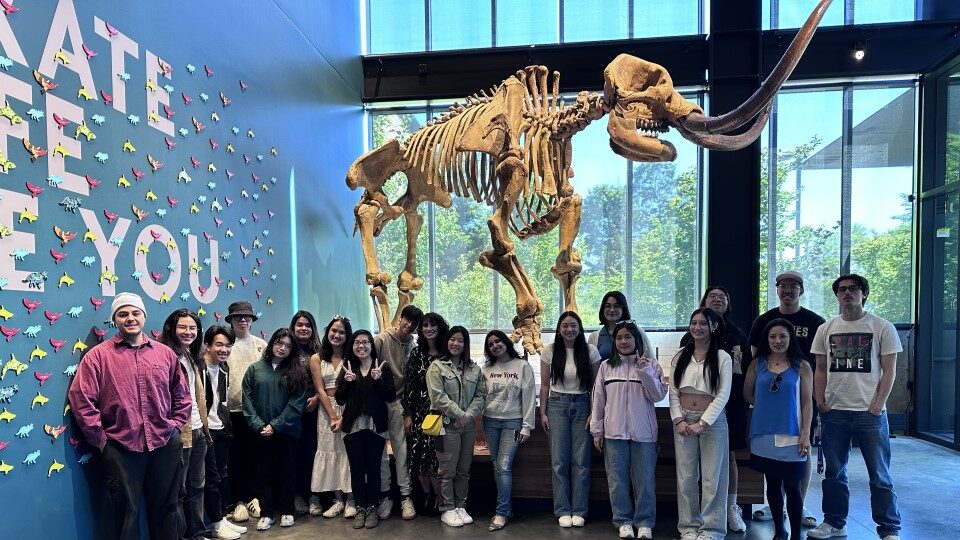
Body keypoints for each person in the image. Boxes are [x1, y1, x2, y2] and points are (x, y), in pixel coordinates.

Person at [68, 292, 191, 540]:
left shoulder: (164, 354)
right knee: (126, 515)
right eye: (123, 314)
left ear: (144, 316)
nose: (130, 318)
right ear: (115, 319)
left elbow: (182, 394)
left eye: (135, 313)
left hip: (164, 443)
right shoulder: (98, 357)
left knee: (168, 510)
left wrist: (176, 426)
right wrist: (101, 441)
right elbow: (81, 398)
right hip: (120, 447)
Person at [808, 274, 903, 540]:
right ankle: (835, 523)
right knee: (834, 473)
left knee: (880, 475)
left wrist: (878, 405)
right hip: (834, 412)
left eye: (853, 289)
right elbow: (820, 369)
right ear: (837, 295)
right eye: (841, 289)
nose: (847, 293)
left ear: (864, 293)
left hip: (870, 414)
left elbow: (890, 371)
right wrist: (820, 401)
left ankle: (889, 529)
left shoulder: (881, 327)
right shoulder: (826, 329)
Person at [749, 270, 826, 526]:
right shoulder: (764, 321)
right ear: (777, 289)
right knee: (772, 457)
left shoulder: (816, 322)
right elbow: (755, 360)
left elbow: (823, 361)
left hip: (801, 394)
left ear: (801, 290)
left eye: (794, 286)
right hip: (773, 404)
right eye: (783, 286)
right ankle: (775, 506)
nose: (788, 290)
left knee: (802, 450)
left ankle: (799, 504)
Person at [591, 321, 667, 540]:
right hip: (613, 433)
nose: (623, 341)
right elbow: (598, 400)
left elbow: (657, 396)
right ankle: (623, 520)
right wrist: (597, 431)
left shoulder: (651, 365)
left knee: (644, 480)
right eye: (619, 338)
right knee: (617, 480)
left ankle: (644, 522)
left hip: (644, 434)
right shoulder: (607, 366)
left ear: (637, 340)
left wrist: (643, 370)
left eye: (628, 337)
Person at [744, 319, 813, 540]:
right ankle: (779, 532)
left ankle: (795, 535)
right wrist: (767, 408)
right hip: (764, 434)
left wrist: (805, 434)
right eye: (773, 336)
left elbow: (806, 403)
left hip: (792, 434)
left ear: (790, 338)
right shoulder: (757, 364)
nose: (777, 340)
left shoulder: (802, 366)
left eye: (782, 336)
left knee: (793, 486)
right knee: (772, 484)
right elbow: (747, 394)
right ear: (767, 339)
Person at [670, 307, 732, 540]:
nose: (697, 327)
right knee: (686, 477)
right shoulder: (680, 356)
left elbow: (723, 394)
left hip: (712, 422)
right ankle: (688, 526)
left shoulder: (722, 357)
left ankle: (712, 529)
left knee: (712, 477)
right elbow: (673, 390)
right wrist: (678, 419)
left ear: (713, 327)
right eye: (694, 322)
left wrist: (703, 423)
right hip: (684, 420)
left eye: (703, 323)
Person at [241, 328, 309, 531]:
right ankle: (267, 512)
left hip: (286, 432)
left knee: (286, 471)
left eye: (288, 346)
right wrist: (259, 425)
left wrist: (275, 425)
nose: (283, 348)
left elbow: (296, 404)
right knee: (263, 472)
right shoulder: (255, 369)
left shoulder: (297, 373)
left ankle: (287, 510)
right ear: (272, 343)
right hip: (260, 431)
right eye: (279, 343)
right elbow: (247, 399)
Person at [697, 286, 751, 533]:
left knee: (728, 456)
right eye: (712, 296)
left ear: (728, 304)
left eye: (722, 297)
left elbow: (745, 369)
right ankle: (701, 511)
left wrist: (747, 398)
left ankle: (730, 506)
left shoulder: (737, 334)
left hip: (731, 405)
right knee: (697, 459)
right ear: (704, 301)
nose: (717, 299)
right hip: (697, 405)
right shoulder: (693, 333)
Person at [540, 311, 601, 527]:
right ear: (559, 329)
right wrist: (543, 412)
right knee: (559, 461)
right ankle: (563, 509)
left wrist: (595, 412)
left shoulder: (590, 351)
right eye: (565, 326)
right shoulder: (550, 351)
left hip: (583, 404)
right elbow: (545, 385)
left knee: (581, 461)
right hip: (557, 405)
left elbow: (596, 387)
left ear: (580, 328)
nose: (569, 330)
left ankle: (580, 510)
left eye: (574, 325)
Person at [426, 326, 487, 528]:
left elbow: (480, 395)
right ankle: (447, 508)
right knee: (446, 469)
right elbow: (438, 396)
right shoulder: (437, 367)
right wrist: (460, 414)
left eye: (461, 340)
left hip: (468, 426)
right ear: (447, 341)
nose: (456, 343)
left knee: (463, 469)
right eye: (453, 339)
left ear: (465, 344)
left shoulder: (474, 369)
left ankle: (461, 506)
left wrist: (468, 415)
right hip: (446, 425)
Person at [336, 329, 397, 530]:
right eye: (357, 343)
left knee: (373, 468)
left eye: (365, 342)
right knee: (356, 469)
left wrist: (378, 379)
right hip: (353, 426)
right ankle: (360, 507)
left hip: (375, 426)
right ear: (352, 346)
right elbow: (339, 399)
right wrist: (346, 383)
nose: (361, 346)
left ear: (372, 345)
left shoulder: (382, 367)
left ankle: (372, 506)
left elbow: (390, 396)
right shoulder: (347, 367)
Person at [159, 309, 211, 540]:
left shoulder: (191, 355)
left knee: (197, 487)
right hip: (181, 433)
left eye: (193, 328)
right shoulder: (164, 355)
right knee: (178, 491)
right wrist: (173, 427)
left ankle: (197, 532)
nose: (188, 332)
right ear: (172, 328)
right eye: (183, 327)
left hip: (199, 430)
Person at [481, 330, 536, 532]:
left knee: (504, 466)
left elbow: (529, 396)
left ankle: (501, 512)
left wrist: (527, 426)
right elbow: (480, 396)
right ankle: (507, 507)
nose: (495, 346)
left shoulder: (522, 366)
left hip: (512, 422)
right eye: (490, 344)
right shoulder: (486, 369)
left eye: (498, 341)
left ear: (506, 342)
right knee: (497, 466)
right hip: (490, 422)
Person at [373, 304, 423, 520]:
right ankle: (385, 495)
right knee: (381, 452)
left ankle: (405, 497)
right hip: (379, 402)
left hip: (400, 404)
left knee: (402, 451)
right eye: (407, 319)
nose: (409, 325)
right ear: (400, 318)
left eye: (414, 323)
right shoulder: (381, 340)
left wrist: (408, 409)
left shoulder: (413, 344)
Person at [201, 325, 248, 539]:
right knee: (210, 480)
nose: (224, 349)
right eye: (219, 344)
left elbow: (221, 401)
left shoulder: (224, 368)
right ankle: (214, 523)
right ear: (207, 345)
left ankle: (220, 518)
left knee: (221, 477)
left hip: (221, 427)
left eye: (228, 345)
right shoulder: (198, 367)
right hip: (203, 430)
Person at [223, 301, 267, 521]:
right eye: (238, 317)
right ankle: (238, 500)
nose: (243, 320)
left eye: (247, 317)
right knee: (235, 457)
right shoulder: (223, 344)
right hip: (230, 413)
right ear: (230, 320)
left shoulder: (261, 345)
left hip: (256, 413)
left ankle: (255, 497)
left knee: (257, 455)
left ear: (252, 320)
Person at [309, 316, 356, 518]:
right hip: (326, 411)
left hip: (350, 409)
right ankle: (337, 500)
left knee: (349, 453)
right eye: (334, 331)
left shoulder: (352, 356)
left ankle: (352, 500)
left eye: (342, 332)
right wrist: (333, 416)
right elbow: (320, 390)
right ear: (327, 331)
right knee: (330, 452)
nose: (337, 335)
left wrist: (344, 417)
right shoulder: (317, 358)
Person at [403, 312, 448, 516]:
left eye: (432, 325)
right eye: (425, 326)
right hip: (421, 412)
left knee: (438, 458)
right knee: (420, 456)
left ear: (440, 327)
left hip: (442, 411)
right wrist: (408, 414)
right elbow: (409, 386)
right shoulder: (416, 353)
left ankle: (442, 498)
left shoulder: (448, 353)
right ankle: (428, 495)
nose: (428, 329)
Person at [290, 310, 322, 515]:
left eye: (307, 325)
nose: (303, 328)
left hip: (315, 410)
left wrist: (317, 399)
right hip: (291, 411)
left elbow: (329, 381)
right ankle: (296, 494)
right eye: (299, 324)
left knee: (312, 454)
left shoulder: (320, 351)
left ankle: (314, 495)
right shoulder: (286, 350)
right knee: (293, 455)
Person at [588, 291, 652, 361]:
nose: (612, 310)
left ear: (623, 309)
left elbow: (651, 360)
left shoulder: (638, 331)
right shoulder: (594, 337)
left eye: (616, 306)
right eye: (607, 306)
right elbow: (592, 366)